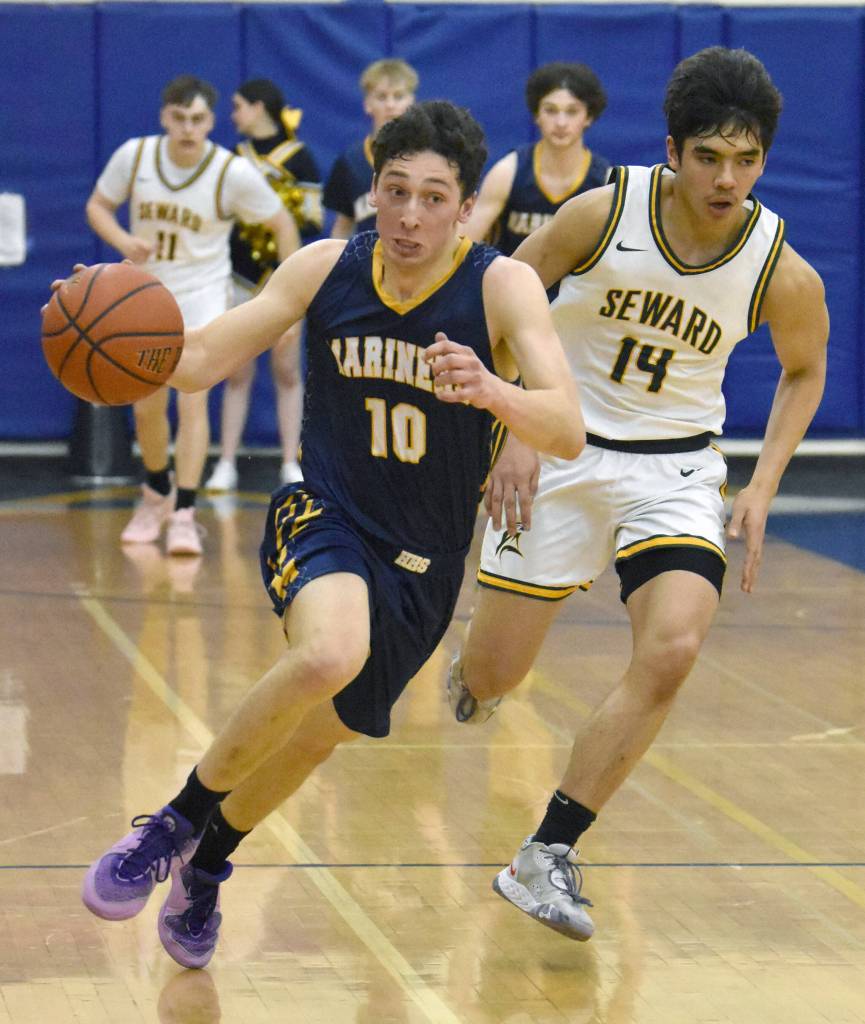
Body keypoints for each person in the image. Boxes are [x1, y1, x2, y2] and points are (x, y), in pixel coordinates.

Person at [77, 100, 585, 968]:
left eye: (433, 197)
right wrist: (110, 336)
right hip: (328, 514)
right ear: (374, 188)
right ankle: (171, 824)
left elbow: (566, 428)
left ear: (465, 208)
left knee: (320, 733)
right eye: (394, 191)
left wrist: (494, 393)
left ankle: (209, 864)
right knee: (326, 654)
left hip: (425, 563)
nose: (410, 215)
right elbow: (200, 359)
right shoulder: (324, 267)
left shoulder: (500, 286)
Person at [447, 47, 829, 940]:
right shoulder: (600, 212)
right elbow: (504, 295)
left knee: (674, 647)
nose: (726, 178)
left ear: (763, 161)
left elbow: (804, 371)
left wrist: (764, 484)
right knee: (495, 673)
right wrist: (511, 424)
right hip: (562, 448)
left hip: (676, 470)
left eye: (745, 159)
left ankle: (546, 852)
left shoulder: (778, 265)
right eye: (708, 156)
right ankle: (476, 668)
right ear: (672, 151)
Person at [86, 75, 299, 556]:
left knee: (193, 400)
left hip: (202, 297)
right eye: (179, 118)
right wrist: (122, 242)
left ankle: (184, 509)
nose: (188, 128)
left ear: (211, 121)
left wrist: (286, 304)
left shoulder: (229, 172)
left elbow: (283, 223)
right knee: (147, 407)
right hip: (144, 298)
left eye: (198, 119)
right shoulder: (135, 156)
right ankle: (156, 491)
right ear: (165, 117)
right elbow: (98, 206)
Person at [206, 79, 323, 492]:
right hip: (237, 276)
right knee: (235, 372)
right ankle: (225, 462)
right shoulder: (232, 159)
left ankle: (291, 460)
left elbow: (310, 220)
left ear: (259, 107)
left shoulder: (301, 158)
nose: (233, 114)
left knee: (287, 369)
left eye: (238, 105)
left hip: (287, 278)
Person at [466, 62, 610, 255]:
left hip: (576, 286)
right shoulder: (508, 172)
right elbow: (463, 246)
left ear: (588, 117)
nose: (561, 122)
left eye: (572, 111)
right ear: (536, 114)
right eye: (550, 110)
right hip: (510, 283)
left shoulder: (604, 181)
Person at [323, 58, 418, 239]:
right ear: (368, 104)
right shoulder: (351, 162)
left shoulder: (430, 155)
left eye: (398, 96)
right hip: (369, 263)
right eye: (382, 97)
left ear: (411, 102)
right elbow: (343, 228)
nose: (390, 105)